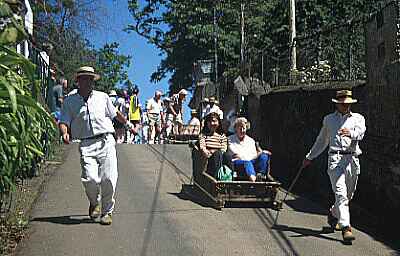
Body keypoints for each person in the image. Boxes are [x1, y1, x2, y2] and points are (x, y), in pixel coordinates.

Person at [59, 66, 136, 225]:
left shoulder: (103, 97)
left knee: (109, 178)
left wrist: (129, 125)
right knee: (90, 178)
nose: (88, 82)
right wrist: (64, 132)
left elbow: (115, 114)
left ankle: (107, 212)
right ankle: (95, 202)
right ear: (78, 81)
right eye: (85, 78)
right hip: (86, 143)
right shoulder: (70, 101)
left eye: (91, 79)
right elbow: (64, 120)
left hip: (106, 140)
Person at [301, 90, 366, 242]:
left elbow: (361, 133)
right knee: (341, 194)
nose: (345, 106)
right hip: (335, 159)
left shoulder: (358, 118)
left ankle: (334, 213)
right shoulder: (329, 120)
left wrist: (350, 133)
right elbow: (322, 140)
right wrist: (310, 157)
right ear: (337, 104)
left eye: (348, 104)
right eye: (342, 104)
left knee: (349, 195)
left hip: (352, 159)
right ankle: (346, 228)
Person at [228, 117, 272, 182]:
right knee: (247, 162)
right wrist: (250, 157)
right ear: (235, 128)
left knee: (264, 155)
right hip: (239, 164)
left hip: (250, 162)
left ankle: (261, 175)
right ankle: (253, 180)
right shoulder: (229, 139)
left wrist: (261, 153)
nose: (242, 130)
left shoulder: (251, 141)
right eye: (240, 128)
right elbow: (237, 156)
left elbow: (254, 156)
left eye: (244, 128)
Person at [199, 111, 232, 177]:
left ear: (218, 123)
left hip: (221, 159)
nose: (212, 123)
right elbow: (202, 146)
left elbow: (224, 148)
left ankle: (230, 175)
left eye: (214, 121)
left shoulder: (222, 136)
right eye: (210, 121)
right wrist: (206, 151)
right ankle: (217, 176)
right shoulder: (203, 135)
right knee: (217, 154)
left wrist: (214, 151)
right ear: (207, 123)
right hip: (209, 161)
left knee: (227, 155)